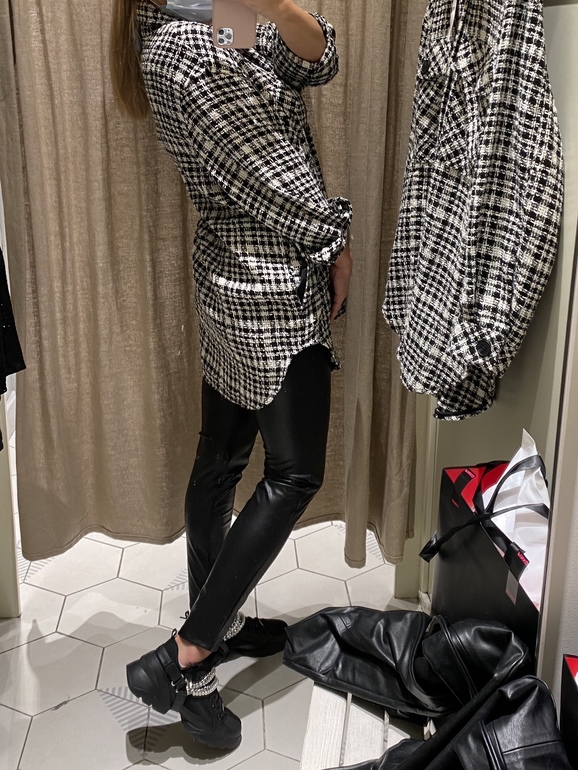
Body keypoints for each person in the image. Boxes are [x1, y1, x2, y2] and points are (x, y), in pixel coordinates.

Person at [110, 0, 353, 750]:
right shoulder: (183, 46)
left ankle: (220, 628)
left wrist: (272, 4)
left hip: (239, 279)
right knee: (294, 473)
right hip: (267, 287)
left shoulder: (212, 15)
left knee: (220, 461)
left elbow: (318, 59)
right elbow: (263, 175)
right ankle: (187, 655)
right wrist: (334, 240)